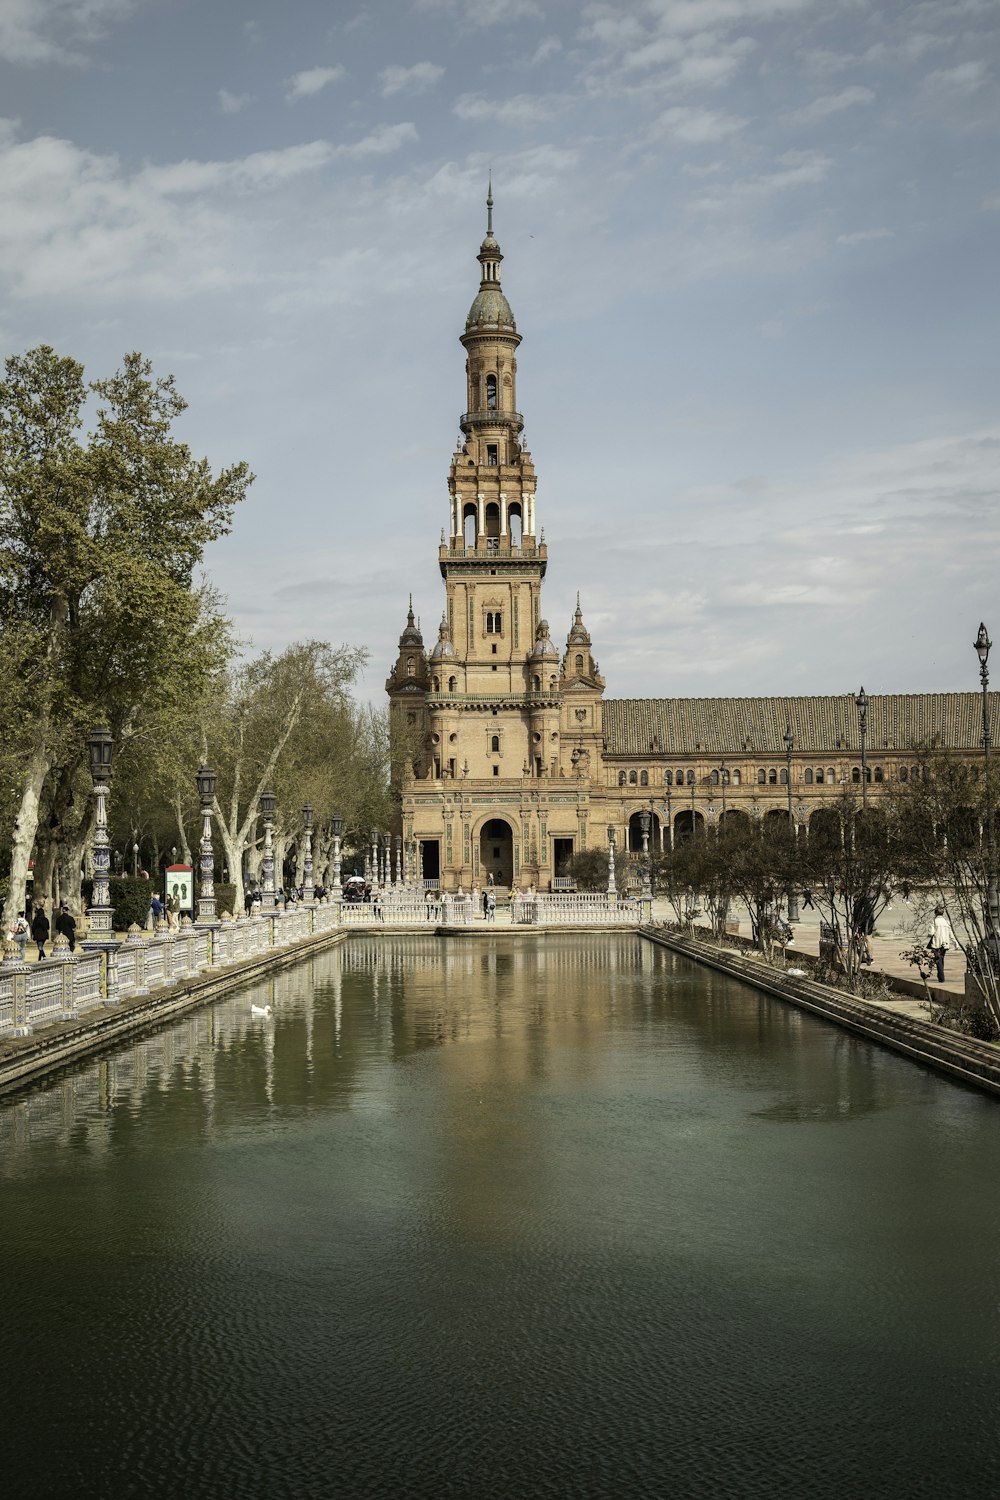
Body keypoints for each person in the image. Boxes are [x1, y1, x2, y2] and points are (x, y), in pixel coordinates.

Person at [930, 905, 956, 983]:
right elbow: (951, 933)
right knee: (941, 958)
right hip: (945, 943)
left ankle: (941, 977)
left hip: (936, 943)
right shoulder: (946, 921)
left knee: (938, 959)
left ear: (935, 913)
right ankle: (940, 975)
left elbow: (931, 933)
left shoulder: (934, 921)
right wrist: (955, 942)